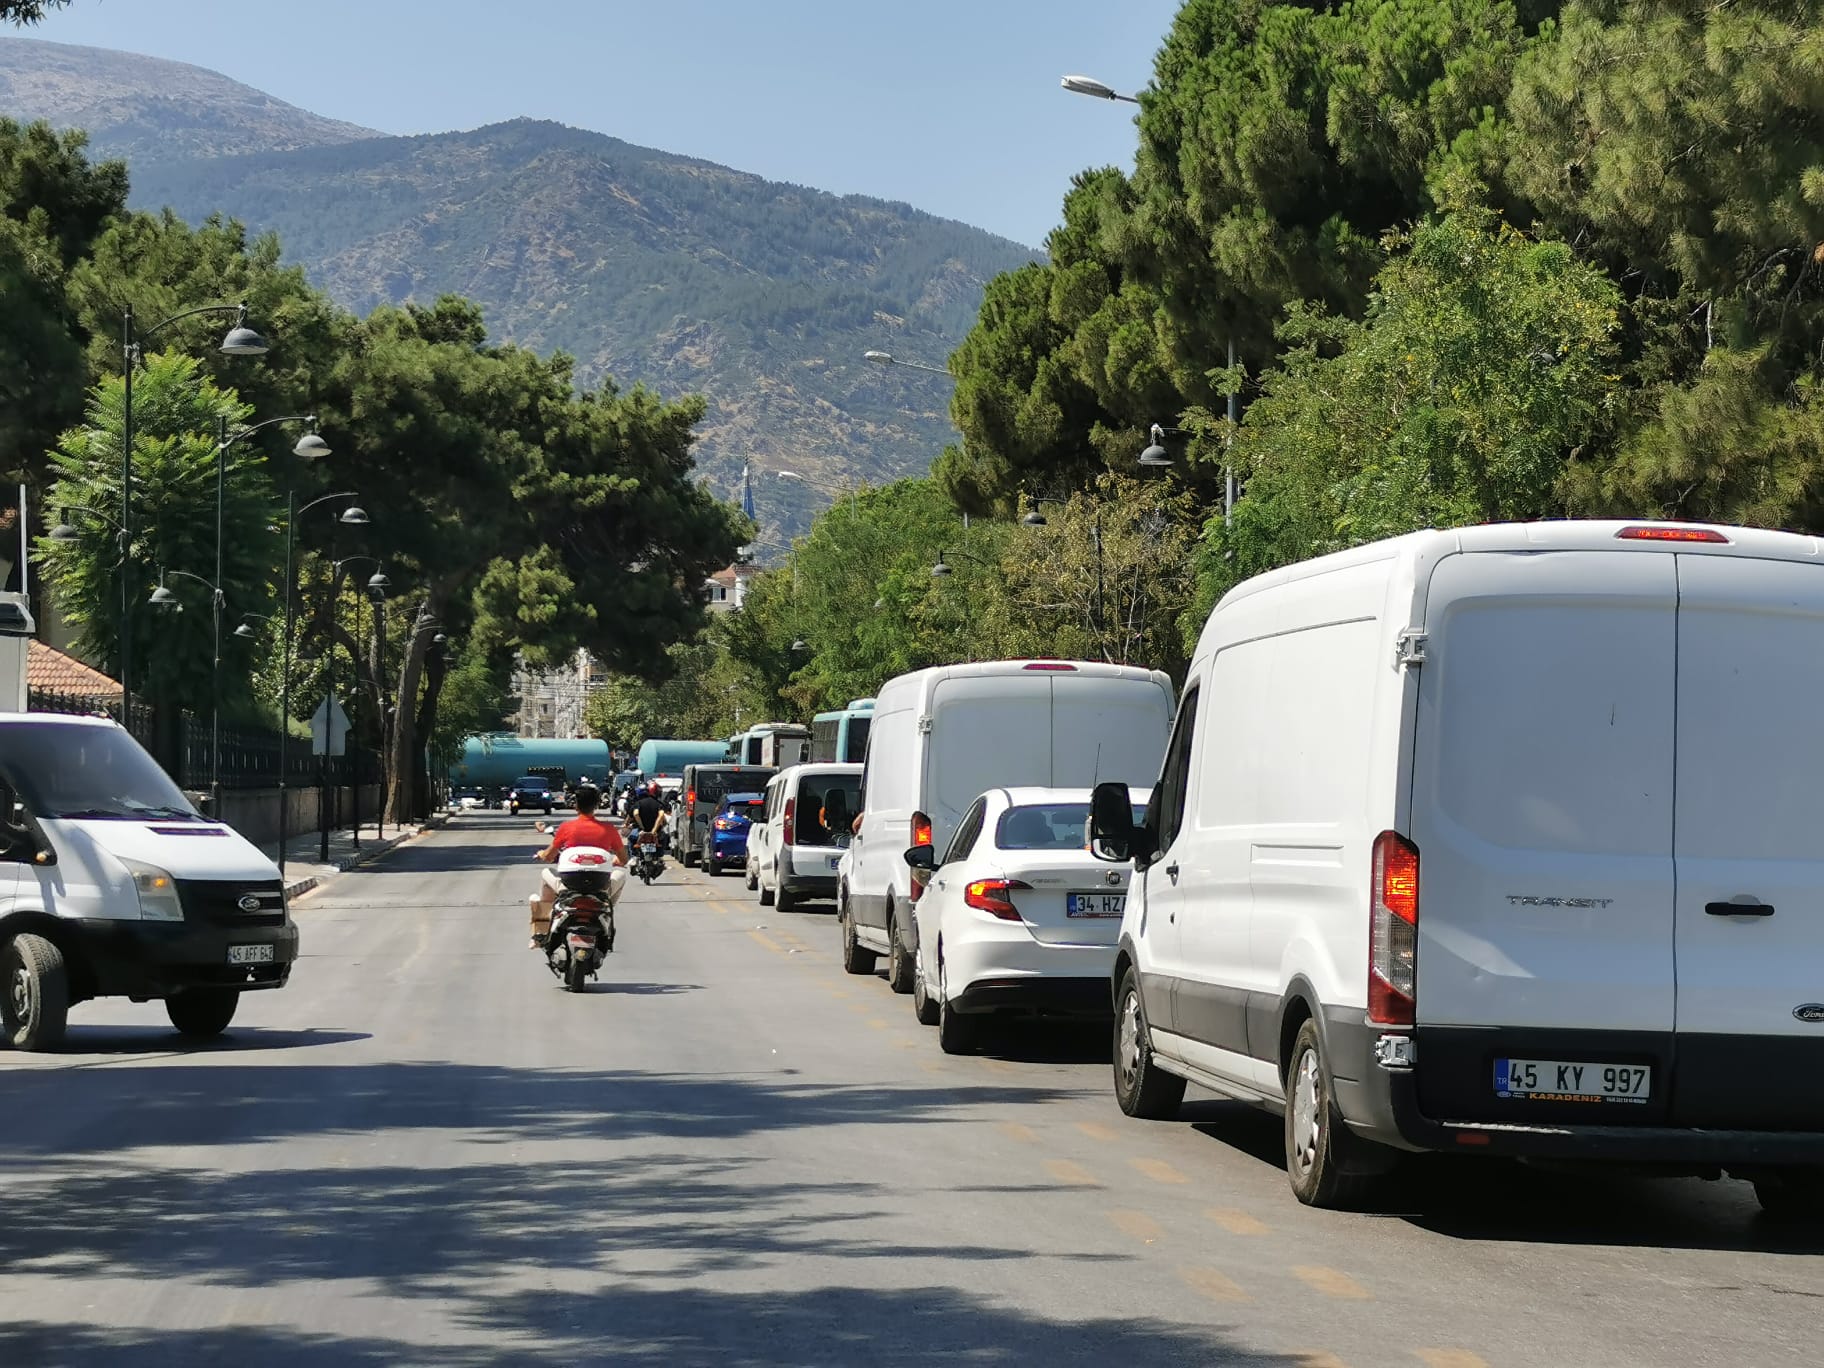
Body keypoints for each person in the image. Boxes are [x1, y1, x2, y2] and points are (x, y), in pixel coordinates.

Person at [528, 783, 626, 949]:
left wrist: (541, 854)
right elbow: (622, 859)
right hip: (600, 887)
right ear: (596, 805)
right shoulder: (609, 829)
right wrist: (609, 861)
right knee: (621, 876)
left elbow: (549, 855)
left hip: (569, 885)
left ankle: (542, 928)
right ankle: (606, 909)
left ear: (576, 805)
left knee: (546, 872)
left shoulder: (567, 827)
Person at [626, 781, 669, 856]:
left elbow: (635, 814)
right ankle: (659, 856)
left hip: (640, 831)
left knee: (631, 839)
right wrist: (654, 830)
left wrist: (642, 827)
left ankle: (633, 857)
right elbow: (662, 816)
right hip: (656, 833)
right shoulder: (659, 804)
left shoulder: (639, 803)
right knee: (664, 837)